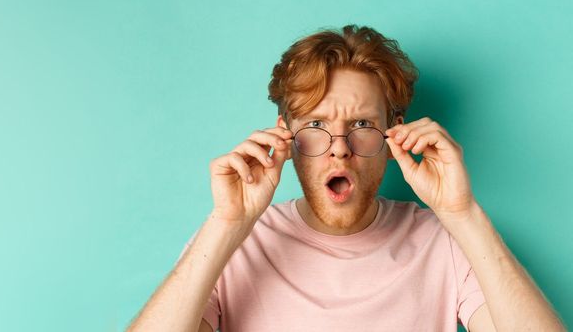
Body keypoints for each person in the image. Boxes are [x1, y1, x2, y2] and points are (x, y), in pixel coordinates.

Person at [127, 25, 566, 331]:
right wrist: (225, 226)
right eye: (316, 125)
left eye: (360, 124)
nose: (339, 147)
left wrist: (462, 213)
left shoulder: (446, 242)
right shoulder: (234, 243)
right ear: (285, 133)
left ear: (394, 132)